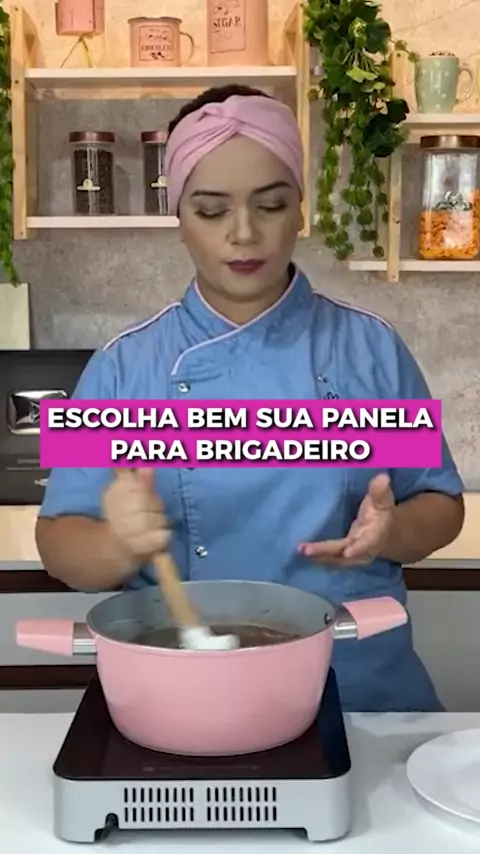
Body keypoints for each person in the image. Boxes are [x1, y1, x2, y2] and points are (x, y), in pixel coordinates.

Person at [36, 84, 465, 713]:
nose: (244, 233)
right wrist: (116, 546)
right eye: (211, 211)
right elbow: (57, 542)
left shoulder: (370, 347)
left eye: (270, 204)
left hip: (358, 687)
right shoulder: (121, 365)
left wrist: (392, 531)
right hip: (182, 688)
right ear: (179, 220)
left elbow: (442, 505)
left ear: (300, 210)